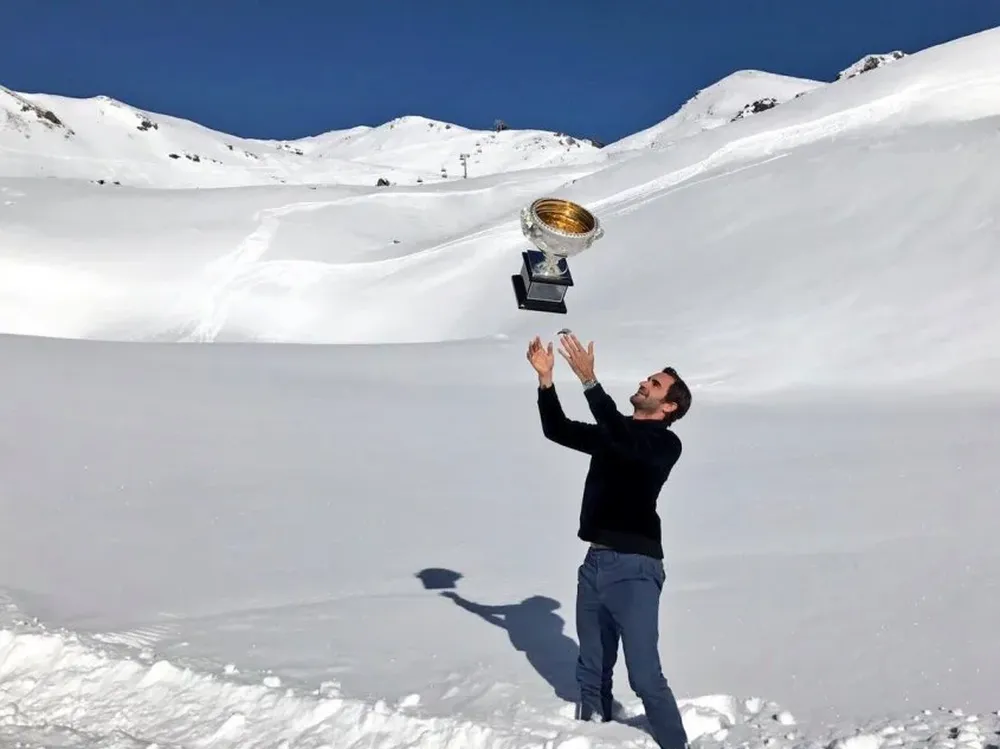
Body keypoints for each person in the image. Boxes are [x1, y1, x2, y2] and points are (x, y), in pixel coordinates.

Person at [526, 332, 691, 749]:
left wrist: (589, 381)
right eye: (647, 378)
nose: (643, 384)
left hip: (635, 568)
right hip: (595, 564)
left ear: (668, 407)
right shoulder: (617, 434)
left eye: (654, 385)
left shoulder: (665, 443)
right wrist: (546, 381)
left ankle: (677, 744)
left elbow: (625, 439)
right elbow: (557, 429)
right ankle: (593, 737)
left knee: (644, 676)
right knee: (592, 668)